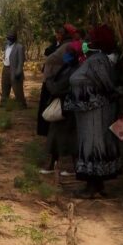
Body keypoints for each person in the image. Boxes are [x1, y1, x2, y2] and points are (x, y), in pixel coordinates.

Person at [64, 25, 122, 198]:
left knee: (93, 146)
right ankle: (97, 185)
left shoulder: (97, 60)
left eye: (90, 37)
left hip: (96, 113)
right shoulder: (94, 58)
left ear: (98, 41)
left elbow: (107, 85)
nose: (86, 40)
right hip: (90, 112)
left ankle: (92, 186)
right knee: (94, 145)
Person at [39, 44, 82, 175]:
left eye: (69, 53)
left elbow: (57, 87)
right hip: (62, 106)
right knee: (54, 136)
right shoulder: (67, 67)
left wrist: (50, 83)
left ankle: (71, 167)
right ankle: (52, 165)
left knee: (67, 138)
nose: (66, 56)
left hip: (68, 107)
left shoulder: (75, 70)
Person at [37, 25, 75, 136]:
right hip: (52, 79)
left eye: (60, 33)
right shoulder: (60, 45)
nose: (57, 35)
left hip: (57, 80)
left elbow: (54, 58)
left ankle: (48, 131)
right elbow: (48, 51)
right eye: (57, 33)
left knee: (53, 106)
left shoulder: (68, 45)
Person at [0, 31, 27, 108]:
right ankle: (3, 103)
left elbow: (21, 61)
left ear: (14, 39)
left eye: (10, 39)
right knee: (4, 86)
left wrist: (18, 71)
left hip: (14, 69)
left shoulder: (19, 47)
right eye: (8, 38)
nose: (8, 40)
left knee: (17, 88)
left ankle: (22, 104)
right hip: (5, 68)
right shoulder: (6, 46)